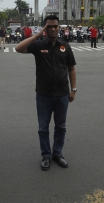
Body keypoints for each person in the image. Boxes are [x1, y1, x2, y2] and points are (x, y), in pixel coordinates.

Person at [16, 15, 77, 171]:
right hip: (44, 94)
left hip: (63, 93)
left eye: (55, 26)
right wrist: (37, 35)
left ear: (59, 27)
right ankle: (46, 155)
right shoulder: (39, 45)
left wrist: (73, 90)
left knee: (61, 126)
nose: (53, 29)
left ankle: (57, 154)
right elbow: (19, 48)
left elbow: (71, 68)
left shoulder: (65, 46)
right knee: (43, 127)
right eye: (49, 26)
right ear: (45, 28)